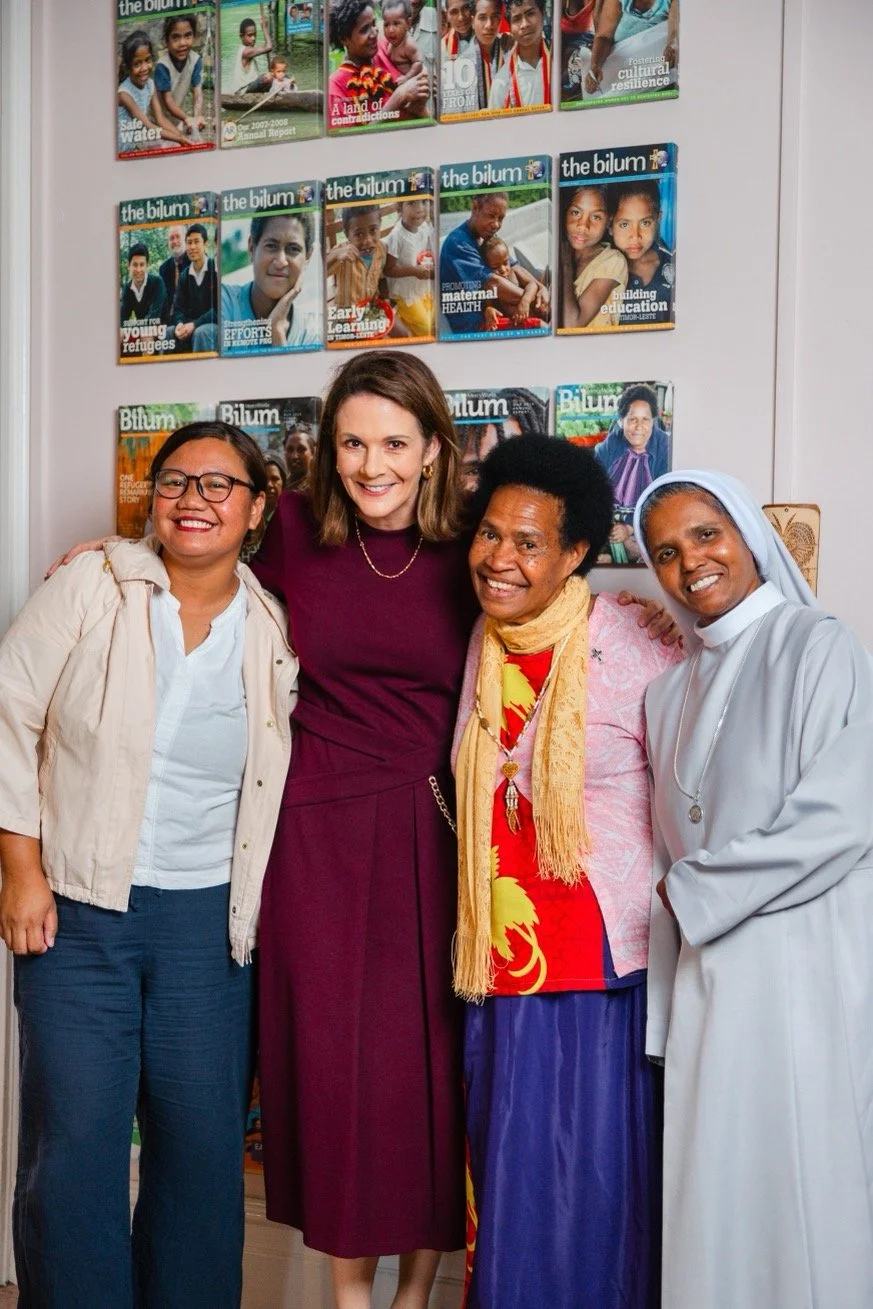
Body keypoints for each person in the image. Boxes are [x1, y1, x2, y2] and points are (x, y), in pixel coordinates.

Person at [0, 422, 297, 1308]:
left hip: (210, 925)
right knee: (77, 1144)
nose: (193, 499)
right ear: (150, 498)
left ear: (256, 506)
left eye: (218, 484)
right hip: (79, 912)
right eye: (174, 482)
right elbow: (8, 716)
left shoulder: (276, 621)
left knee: (201, 1148)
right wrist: (20, 868)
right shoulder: (90, 585)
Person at [250, 352, 474, 1309]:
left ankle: (413, 1296)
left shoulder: (477, 544)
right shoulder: (293, 529)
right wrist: (106, 556)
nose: (370, 463)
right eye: (351, 441)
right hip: (314, 832)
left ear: (431, 449)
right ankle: (349, 1300)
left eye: (392, 442)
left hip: (434, 829)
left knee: (425, 1068)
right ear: (326, 448)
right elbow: (194, 572)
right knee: (333, 1067)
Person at [633, 470, 873, 1309]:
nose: (689, 561)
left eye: (705, 533)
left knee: (802, 1187)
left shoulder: (818, 642)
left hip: (805, 969)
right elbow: (669, 848)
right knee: (716, 1194)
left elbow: (842, 815)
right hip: (709, 981)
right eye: (663, 551)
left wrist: (697, 894)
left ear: (745, 532)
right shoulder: (664, 695)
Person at [453, 434, 680, 1309]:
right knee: (504, 1180)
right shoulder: (483, 632)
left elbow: (702, 771)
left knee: (586, 1180)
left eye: (529, 542)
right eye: (489, 535)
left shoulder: (632, 636)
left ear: (577, 551)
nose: (500, 557)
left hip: (595, 956)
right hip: (494, 955)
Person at [221, 212, 321, 354]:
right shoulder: (224, 302)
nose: (281, 262)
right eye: (271, 246)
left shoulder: (310, 336)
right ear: (251, 248)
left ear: (308, 257)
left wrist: (277, 330)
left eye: (293, 249)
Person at [594, 382, 670, 562]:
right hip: (610, 524)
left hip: (645, 523)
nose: (639, 426)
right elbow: (594, 488)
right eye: (632, 419)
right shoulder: (610, 444)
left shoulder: (665, 448)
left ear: (653, 421)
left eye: (645, 419)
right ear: (622, 421)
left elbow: (662, 500)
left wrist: (629, 528)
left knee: (635, 550)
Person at [328, 0, 429, 131]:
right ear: (344, 39)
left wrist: (421, 108)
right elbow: (350, 144)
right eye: (364, 30)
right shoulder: (336, 87)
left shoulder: (389, 50)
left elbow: (423, 114)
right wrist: (398, 98)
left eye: (374, 24)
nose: (375, 33)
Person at [439, 192, 508, 336]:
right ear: (475, 207)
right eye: (491, 215)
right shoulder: (458, 242)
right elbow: (491, 283)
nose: (496, 224)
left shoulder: (486, 236)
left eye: (500, 218)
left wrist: (539, 288)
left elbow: (512, 265)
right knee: (540, 324)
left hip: (496, 311)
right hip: (478, 325)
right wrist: (529, 299)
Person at [559, 184, 627, 330]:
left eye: (596, 217)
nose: (583, 226)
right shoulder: (558, 256)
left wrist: (566, 266)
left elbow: (572, 324)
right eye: (576, 213)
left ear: (609, 221)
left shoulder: (613, 261)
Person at [609, 182, 675, 327]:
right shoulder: (602, 267)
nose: (635, 236)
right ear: (610, 225)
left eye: (645, 223)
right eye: (624, 225)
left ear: (658, 219)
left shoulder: (671, 263)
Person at [117, 30, 189, 153]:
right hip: (123, 147)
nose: (144, 68)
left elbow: (160, 119)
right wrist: (179, 138)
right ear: (128, 67)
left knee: (177, 144)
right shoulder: (124, 94)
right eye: (137, 64)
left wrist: (182, 137)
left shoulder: (150, 84)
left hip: (139, 140)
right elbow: (148, 126)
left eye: (147, 60)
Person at [585, 0, 678, 93]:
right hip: (620, 71)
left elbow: (675, 31)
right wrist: (595, 66)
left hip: (653, 73)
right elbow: (604, 36)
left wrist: (673, 45)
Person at [384, 199, 436, 338]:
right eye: (412, 203)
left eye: (424, 202)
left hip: (421, 285)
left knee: (433, 319)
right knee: (425, 327)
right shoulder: (396, 237)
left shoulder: (424, 226)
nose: (419, 209)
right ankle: (400, 311)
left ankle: (407, 319)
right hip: (405, 292)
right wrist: (414, 271)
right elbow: (388, 270)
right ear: (399, 208)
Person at [487, 0, 551, 110]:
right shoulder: (501, 83)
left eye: (530, 14)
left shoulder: (561, 63)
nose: (524, 24)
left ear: (543, 13)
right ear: (510, 28)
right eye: (516, 19)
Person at [155, 14, 206, 142]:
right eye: (175, 37)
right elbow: (168, 102)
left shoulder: (195, 60)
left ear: (194, 37)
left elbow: (197, 91)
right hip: (158, 121)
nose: (182, 43)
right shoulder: (162, 66)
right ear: (166, 41)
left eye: (187, 35)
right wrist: (186, 118)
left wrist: (197, 116)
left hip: (177, 119)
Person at [480, 235, 549, 328]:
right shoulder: (491, 285)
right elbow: (488, 305)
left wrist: (525, 302)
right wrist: (489, 310)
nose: (503, 269)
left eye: (505, 263)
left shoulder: (514, 271)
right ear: (487, 267)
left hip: (539, 312)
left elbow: (532, 284)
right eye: (495, 267)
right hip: (520, 323)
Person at [172, 223, 218, 354]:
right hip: (189, 324)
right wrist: (180, 323)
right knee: (169, 332)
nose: (192, 247)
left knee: (200, 333)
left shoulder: (216, 269)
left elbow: (218, 309)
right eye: (189, 243)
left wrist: (194, 325)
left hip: (212, 324)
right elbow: (178, 308)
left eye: (196, 242)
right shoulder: (184, 276)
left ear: (205, 244)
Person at [120, 242, 168, 328]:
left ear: (147, 265)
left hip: (161, 328)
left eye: (142, 265)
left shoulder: (157, 282)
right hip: (141, 330)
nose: (138, 270)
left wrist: (134, 327)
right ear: (128, 265)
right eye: (135, 265)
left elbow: (154, 317)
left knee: (147, 336)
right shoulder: (127, 289)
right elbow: (122, 319)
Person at [232, 9, 273, 91]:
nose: (253, 38)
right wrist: (264, 29)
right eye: (249, 35)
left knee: (281, 76)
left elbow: (266, 47)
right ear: (241, 36)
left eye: (254, 35)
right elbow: (268, 47)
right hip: (244, 90)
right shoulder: (246, 52)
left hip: (251, 87)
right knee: (268, 77)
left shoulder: (250, 50)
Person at [158, 224, 190, 307]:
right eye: (171, 238)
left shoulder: (195, 261)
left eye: (178, 237)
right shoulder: (163, 269)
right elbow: (163, 299)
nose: (175, 241)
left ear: (185, 239)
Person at [283, 424, 316, 489]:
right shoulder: (280, 489)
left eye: (301, 450)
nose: (294, 456)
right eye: (290, 449)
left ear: (313, 453)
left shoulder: (320, 489)